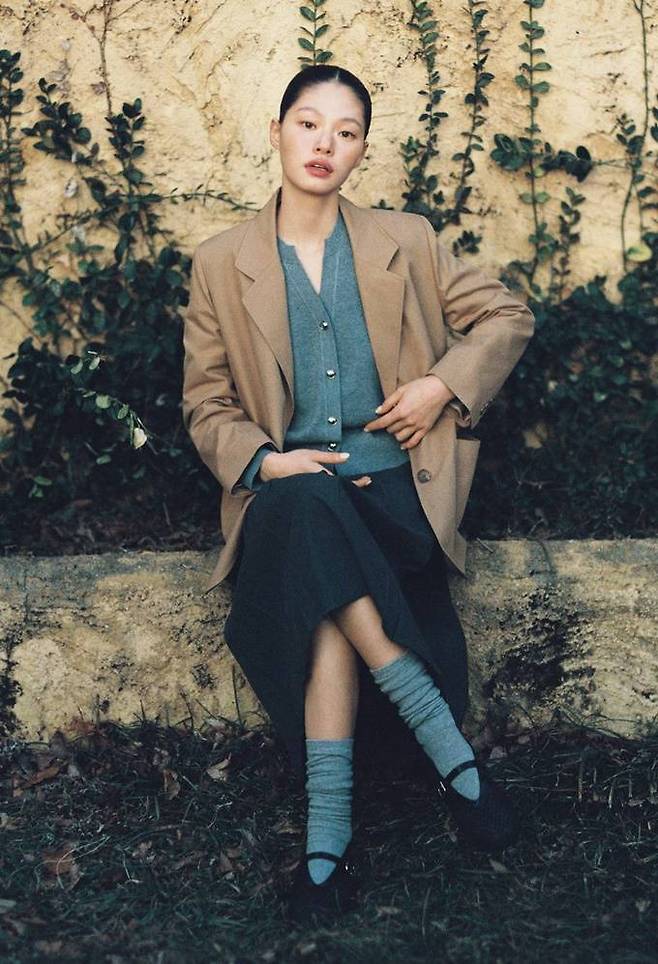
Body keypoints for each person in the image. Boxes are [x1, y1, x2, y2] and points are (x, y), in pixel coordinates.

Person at [182, 64, 535, 925]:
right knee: (308, 512)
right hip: (294, 497)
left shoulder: (406, 241)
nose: (324, 144)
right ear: (276, 133)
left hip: (396, 502)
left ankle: (326, 841)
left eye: (345, 133)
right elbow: (207, 405)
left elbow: (508, 316)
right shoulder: (220, 263)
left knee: (320, 559)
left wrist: (441, 387)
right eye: (308, 124)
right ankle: (448, 756)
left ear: (361, 151)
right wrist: (264, 464)